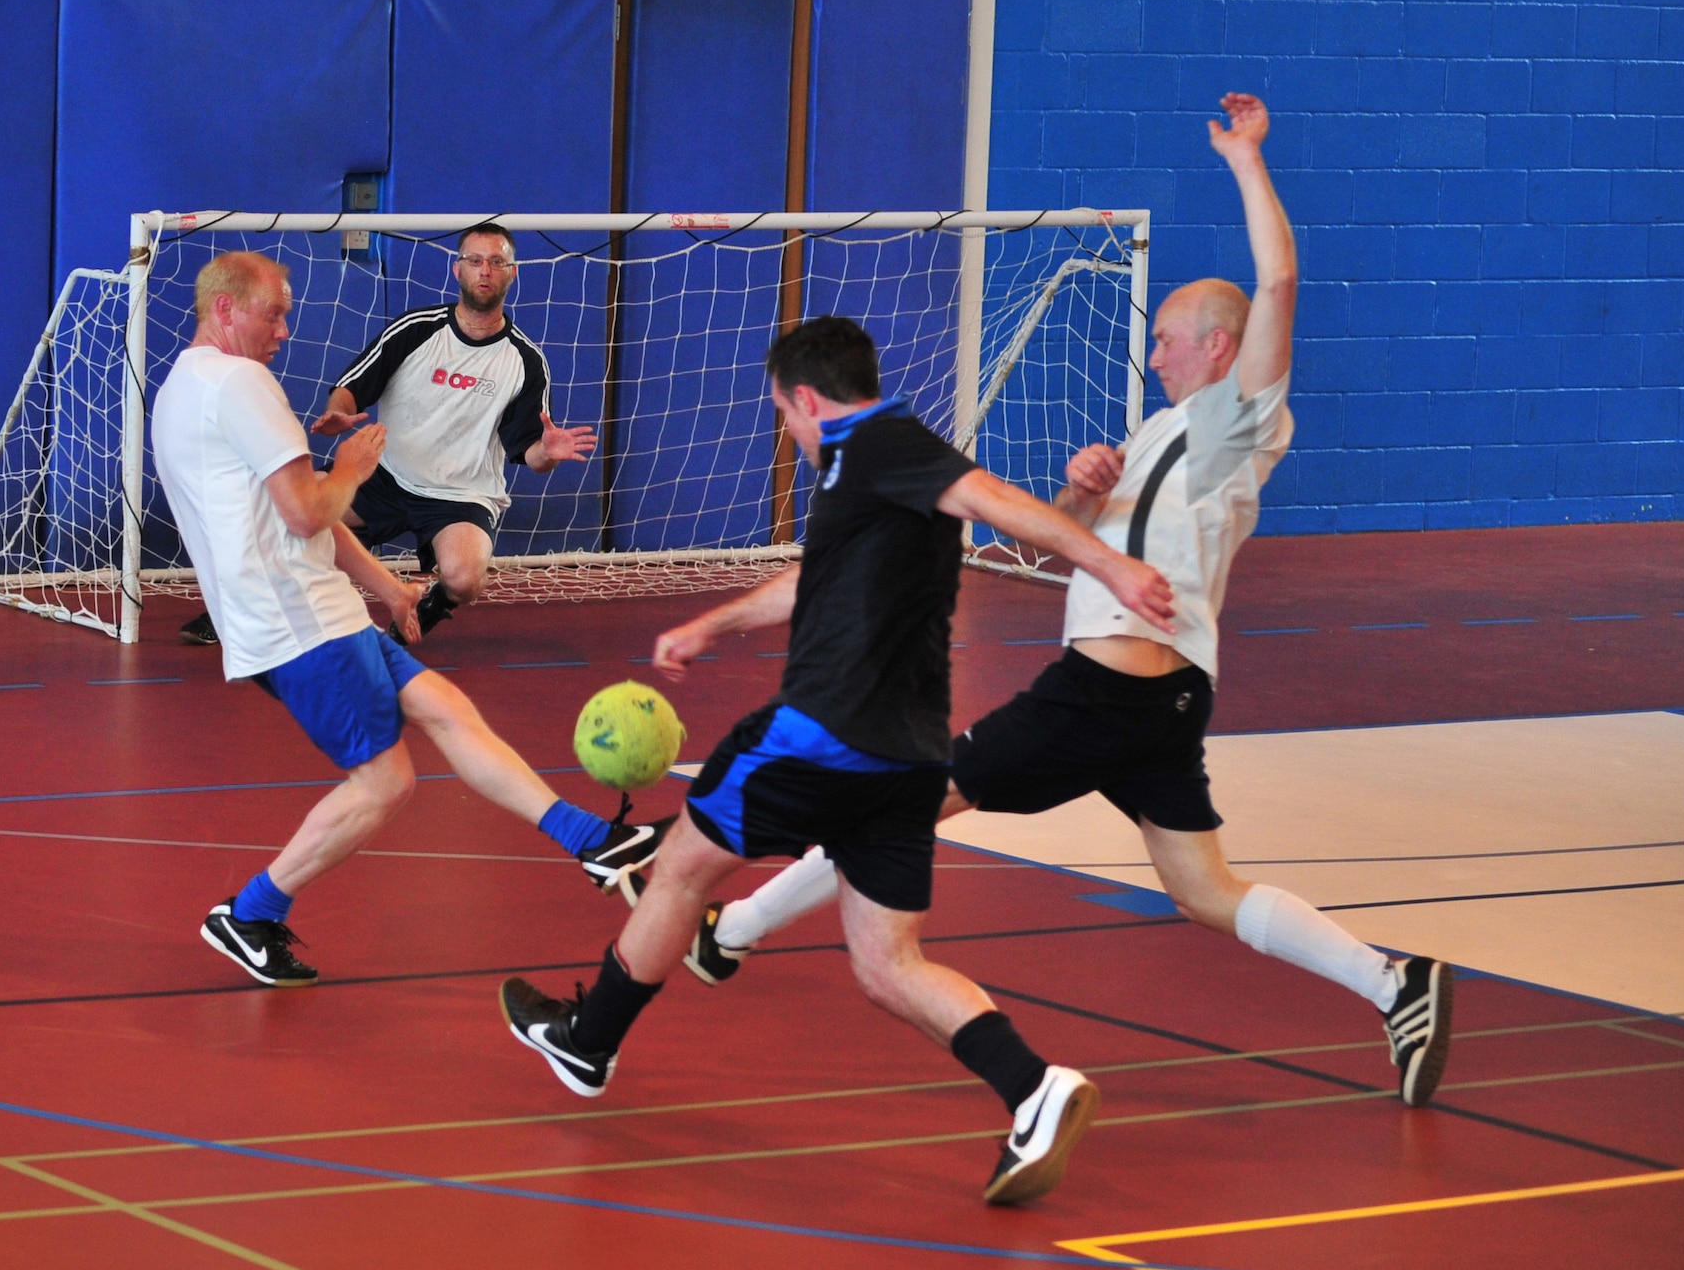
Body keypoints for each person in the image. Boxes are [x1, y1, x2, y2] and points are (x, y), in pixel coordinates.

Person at [653, 94, 1456, 1113]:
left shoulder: (1236, 424)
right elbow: (1067, 543)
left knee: (903, 798)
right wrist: (1081, 490)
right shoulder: (1162, 432)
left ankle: (732, 931)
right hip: (1154, 699)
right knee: (1203, 889)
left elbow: (1279, 283)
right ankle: (1394, 984)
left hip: (1108, 686)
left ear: (1218, 348)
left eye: (1167, 339)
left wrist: (1247, 160)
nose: (1153, 355)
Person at [497, 314, 1178, 1207]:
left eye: (784, 413)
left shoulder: (884, 444)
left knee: (678, 868)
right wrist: (710, 624)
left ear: (809, 400)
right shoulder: (864, 477)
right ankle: (1034, 1088)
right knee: (888, 964)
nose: (787, 429)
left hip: (820, 735)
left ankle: (587, 1043)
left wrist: (1112, 568)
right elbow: (812, 580)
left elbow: (990, 497)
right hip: (907, 758)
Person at [152, 252, 664, 985]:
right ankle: (251, 912)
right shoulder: (241, 383)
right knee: (384, 782)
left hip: (308, 610)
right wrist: (352, 468)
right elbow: (308, 512)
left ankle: (590, 840)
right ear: (226, 310)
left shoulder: (185, 384)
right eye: (275, 314)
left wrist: (391, 589)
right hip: (299, 621)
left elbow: (301, 516)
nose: (285, 330)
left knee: (447, 707)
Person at [179, 223, 593, 648]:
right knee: (283, 511)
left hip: (461, 496)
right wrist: (339, 413)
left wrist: (548, 451)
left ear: (512, 272)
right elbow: (351, 387)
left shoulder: (525, 361)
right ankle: (236, 609)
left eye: (496, 262)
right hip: (386, 476)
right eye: (474, 260)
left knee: (465, 578)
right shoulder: (415, 329)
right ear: (458, 269)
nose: (484, 270)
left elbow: (531, 455)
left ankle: (427, 607)